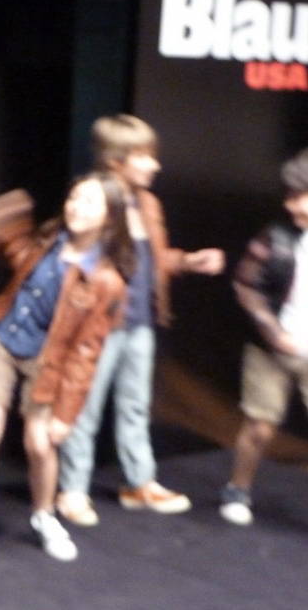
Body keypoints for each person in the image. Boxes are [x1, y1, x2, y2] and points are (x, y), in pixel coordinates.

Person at [0, 172, 132, 564]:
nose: (77, 207)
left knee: (39, 443)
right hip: (2, 340)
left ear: (110, 217)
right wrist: (6, 222)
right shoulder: (47, 243)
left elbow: (85, 353)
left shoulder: (106, 280)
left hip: (49, 361)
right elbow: (20, 261)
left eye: (90, 202)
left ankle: (44, 515)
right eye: (74, 197)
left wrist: (66, 413)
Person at [56, 115, 224, 527]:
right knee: (83, 407)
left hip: (141, 323)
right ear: (116, 160)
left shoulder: (147, 204)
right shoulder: (94, 199)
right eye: (144, 157)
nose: (155, 165)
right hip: (99, 326)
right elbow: (72, 261)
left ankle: (139, 482)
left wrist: (188, 261)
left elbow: (152, 259)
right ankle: (72, 489)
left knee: (134, 405)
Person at [220, 147, 308, 550]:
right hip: (272, 350)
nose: (290, 205)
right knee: (260, 427)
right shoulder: (275, 237)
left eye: (300, 197)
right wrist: (273, 332)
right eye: (289, 195)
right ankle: (238, 488)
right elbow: (246, 284)